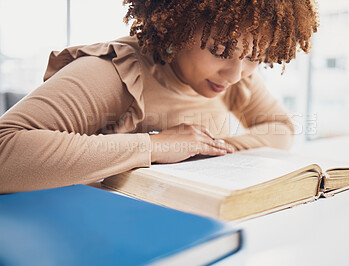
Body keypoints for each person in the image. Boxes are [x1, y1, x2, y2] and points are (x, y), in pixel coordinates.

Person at [0, 0, 319, 194]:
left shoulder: (236, 79)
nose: (236, 74)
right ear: (177, 26)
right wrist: (155, 146)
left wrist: (203, 148)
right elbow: (6, 151)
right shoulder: (114, 72)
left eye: (256, 57)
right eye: (221, 51)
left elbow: (281, 128)